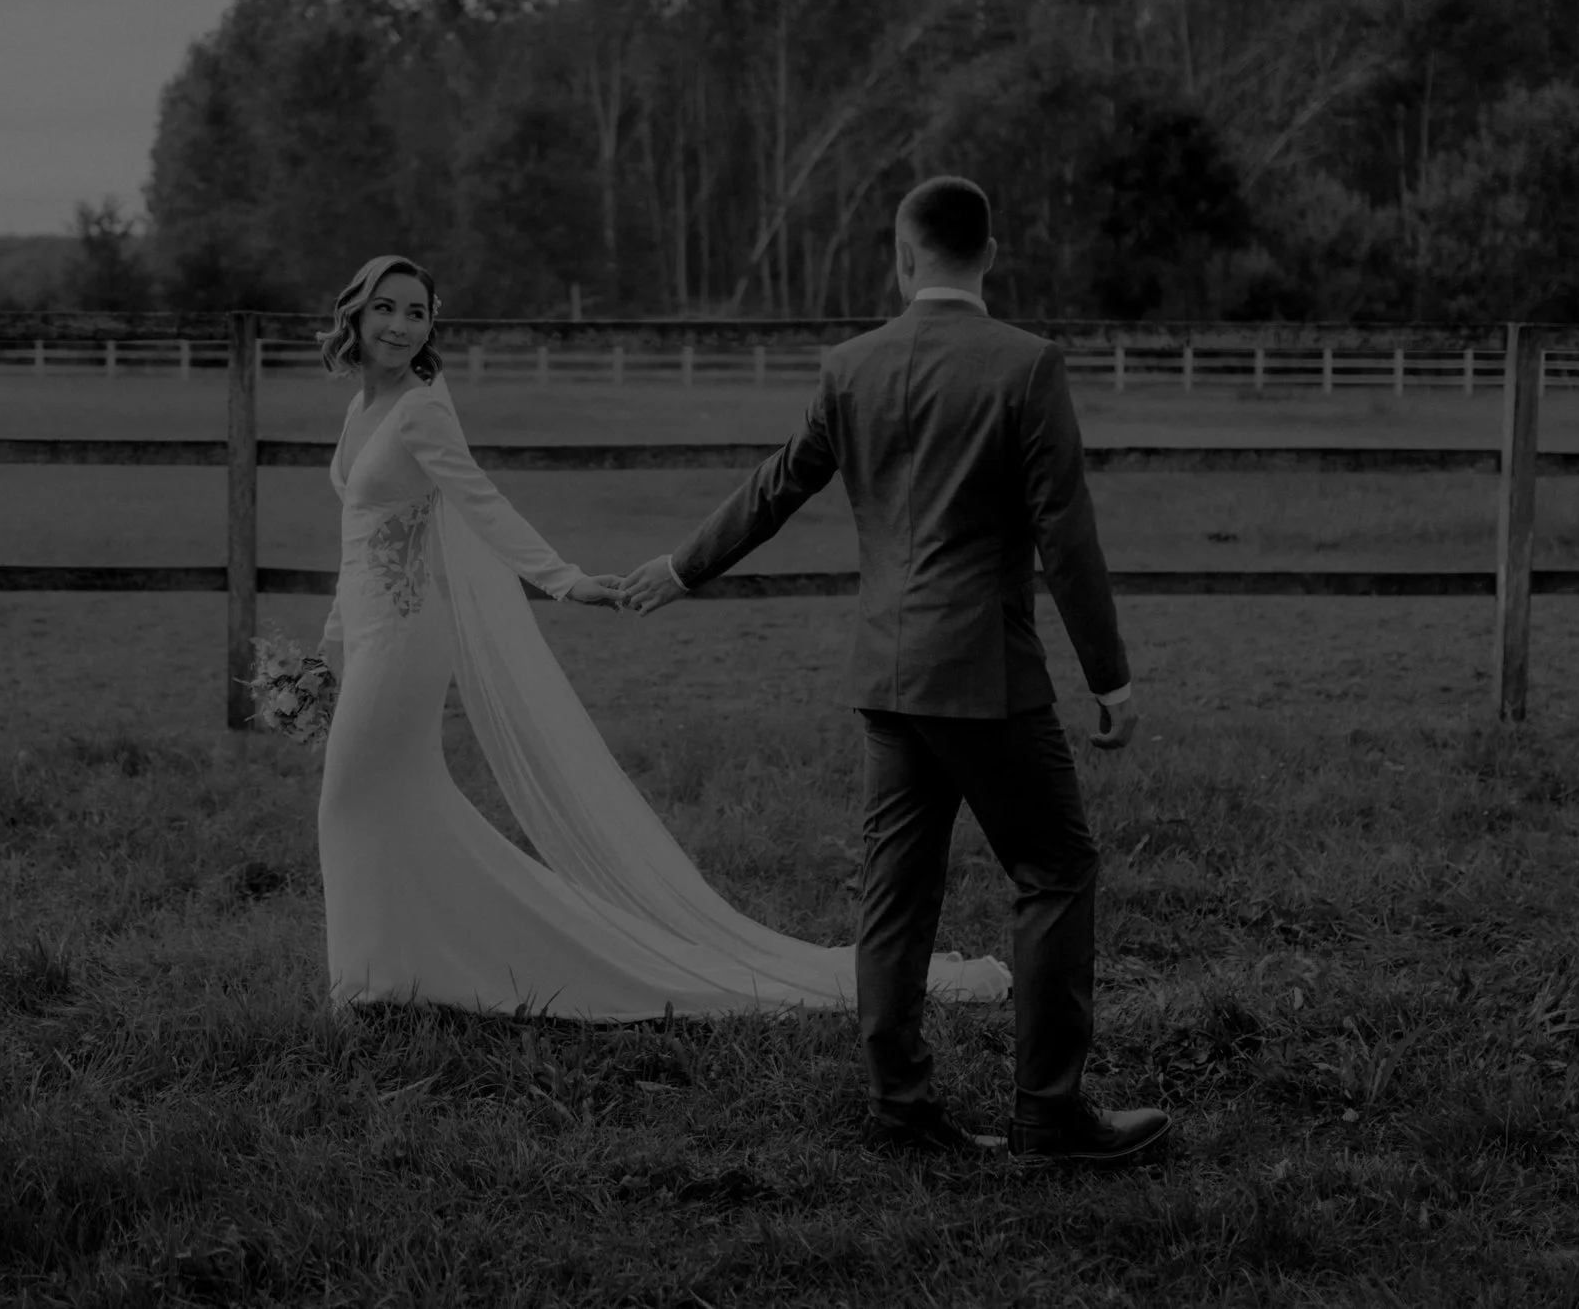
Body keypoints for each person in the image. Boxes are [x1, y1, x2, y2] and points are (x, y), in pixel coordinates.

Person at [618, 177, 1170, 1165]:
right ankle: (1049, 1114)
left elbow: (778, 483)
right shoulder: (1026, 364)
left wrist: (682, 563)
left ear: (902, 256)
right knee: (1055, 867)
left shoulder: (851, 365)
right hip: (985, 673)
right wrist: (1110, 676)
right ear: (988, 252)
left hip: (885, 670)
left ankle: (900, 1107)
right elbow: (1066, 536)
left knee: (896, 889)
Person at [309, 253, 1009, 1022]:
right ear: (355, 311)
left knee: (347, 799)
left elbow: (481, 500)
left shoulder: (420, 407)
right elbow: (358, 537)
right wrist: (328, 644)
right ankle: (393, 967)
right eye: (388, 308)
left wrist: (562, 576)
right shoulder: (359, 409)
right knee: (388, 805)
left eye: (417, 311)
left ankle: (360, 984)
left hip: (407, 638)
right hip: (369, 627)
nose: (402, 325)